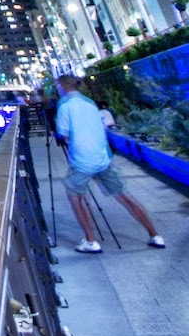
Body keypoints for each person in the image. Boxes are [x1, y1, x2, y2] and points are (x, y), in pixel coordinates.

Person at [55, 74, 165, 253]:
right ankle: (155, 235)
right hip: (102, 158)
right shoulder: (90, 103)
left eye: (58, 86)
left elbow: (65, 135)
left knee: (76, 196)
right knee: (124, 195)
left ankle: (91, 241)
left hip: (82, 161)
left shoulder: (64, 105)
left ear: (63, 86)